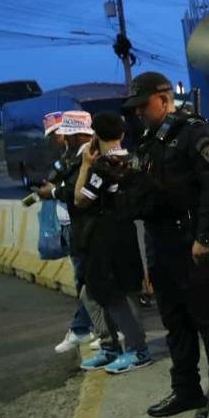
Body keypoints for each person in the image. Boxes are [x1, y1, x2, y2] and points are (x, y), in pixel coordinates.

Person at [123, 72, 209, 418]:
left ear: (164, 99)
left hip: (189, 240)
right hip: (160, 240)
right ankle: (186, 390)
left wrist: (203, 237)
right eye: (135, 107)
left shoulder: (192, 131)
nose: (138, 112)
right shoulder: (147, 139)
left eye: (143, 105)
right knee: (175, 322)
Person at [73, 112, 151, 374]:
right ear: (122, 134)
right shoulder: (135, 161)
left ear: (95, 136)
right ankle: (116, 347)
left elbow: (80, 200)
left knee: (108, 293)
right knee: (117, 291)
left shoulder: (102, 166)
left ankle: (135, 349)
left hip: (107, 236)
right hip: (130, 232)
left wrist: (85, 164)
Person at [39, 111, 101, 353]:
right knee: (84, 281)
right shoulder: (71, 157)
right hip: (74, 225)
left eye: (65, 133)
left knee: (91, 281)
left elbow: (78, 192)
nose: (61, 138)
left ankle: (94, 329)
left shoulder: (91, 156)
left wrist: (55, 191)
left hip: (89, 226)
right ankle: (88, 328)